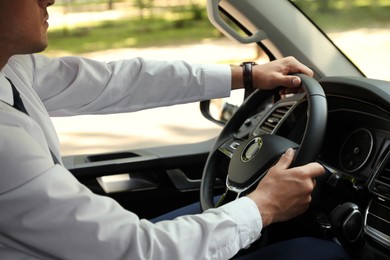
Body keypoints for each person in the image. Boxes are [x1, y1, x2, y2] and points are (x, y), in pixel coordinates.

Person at [0, 0, 349, 259]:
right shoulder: (6, 145)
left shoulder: (11, 69)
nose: (50, 0)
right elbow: (140, 251)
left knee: (214, 213)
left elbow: (116, 82)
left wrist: (246, 75)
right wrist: (265, 206)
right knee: (319, 253)